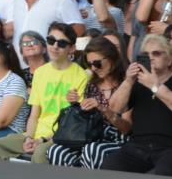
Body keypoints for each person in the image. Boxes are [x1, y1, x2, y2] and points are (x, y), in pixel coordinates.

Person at [0, 21, 88, 162]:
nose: (55, 46)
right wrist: (30, 137)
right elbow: (34, 115)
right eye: (51, 41)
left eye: (61, 43)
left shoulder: (81, 75)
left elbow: (71, 123)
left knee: (40, 155)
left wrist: (42, 140)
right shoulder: (41, 72)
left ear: (72, 48)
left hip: (59, 137)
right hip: (35, 133)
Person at [104, 32, 172, 175]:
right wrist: (128, 81)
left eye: (156, 53)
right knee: (110, 165)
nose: (150, 58)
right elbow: (115, 108)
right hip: (139, 147)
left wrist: (155, 87)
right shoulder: (138, 83)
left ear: (169, 60)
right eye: (146, 54)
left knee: (163, 170)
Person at [45, 36, 131, 169]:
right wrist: (75, 104)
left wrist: (103, 108)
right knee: (56, 151)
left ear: (111, 57)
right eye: (89, 64)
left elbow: (126, 128)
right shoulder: (91, 85)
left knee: (93, 150)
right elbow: (85, 119)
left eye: (97, 63)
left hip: (117, 138)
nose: (93, 68)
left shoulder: (126, 83)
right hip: (91, 136)